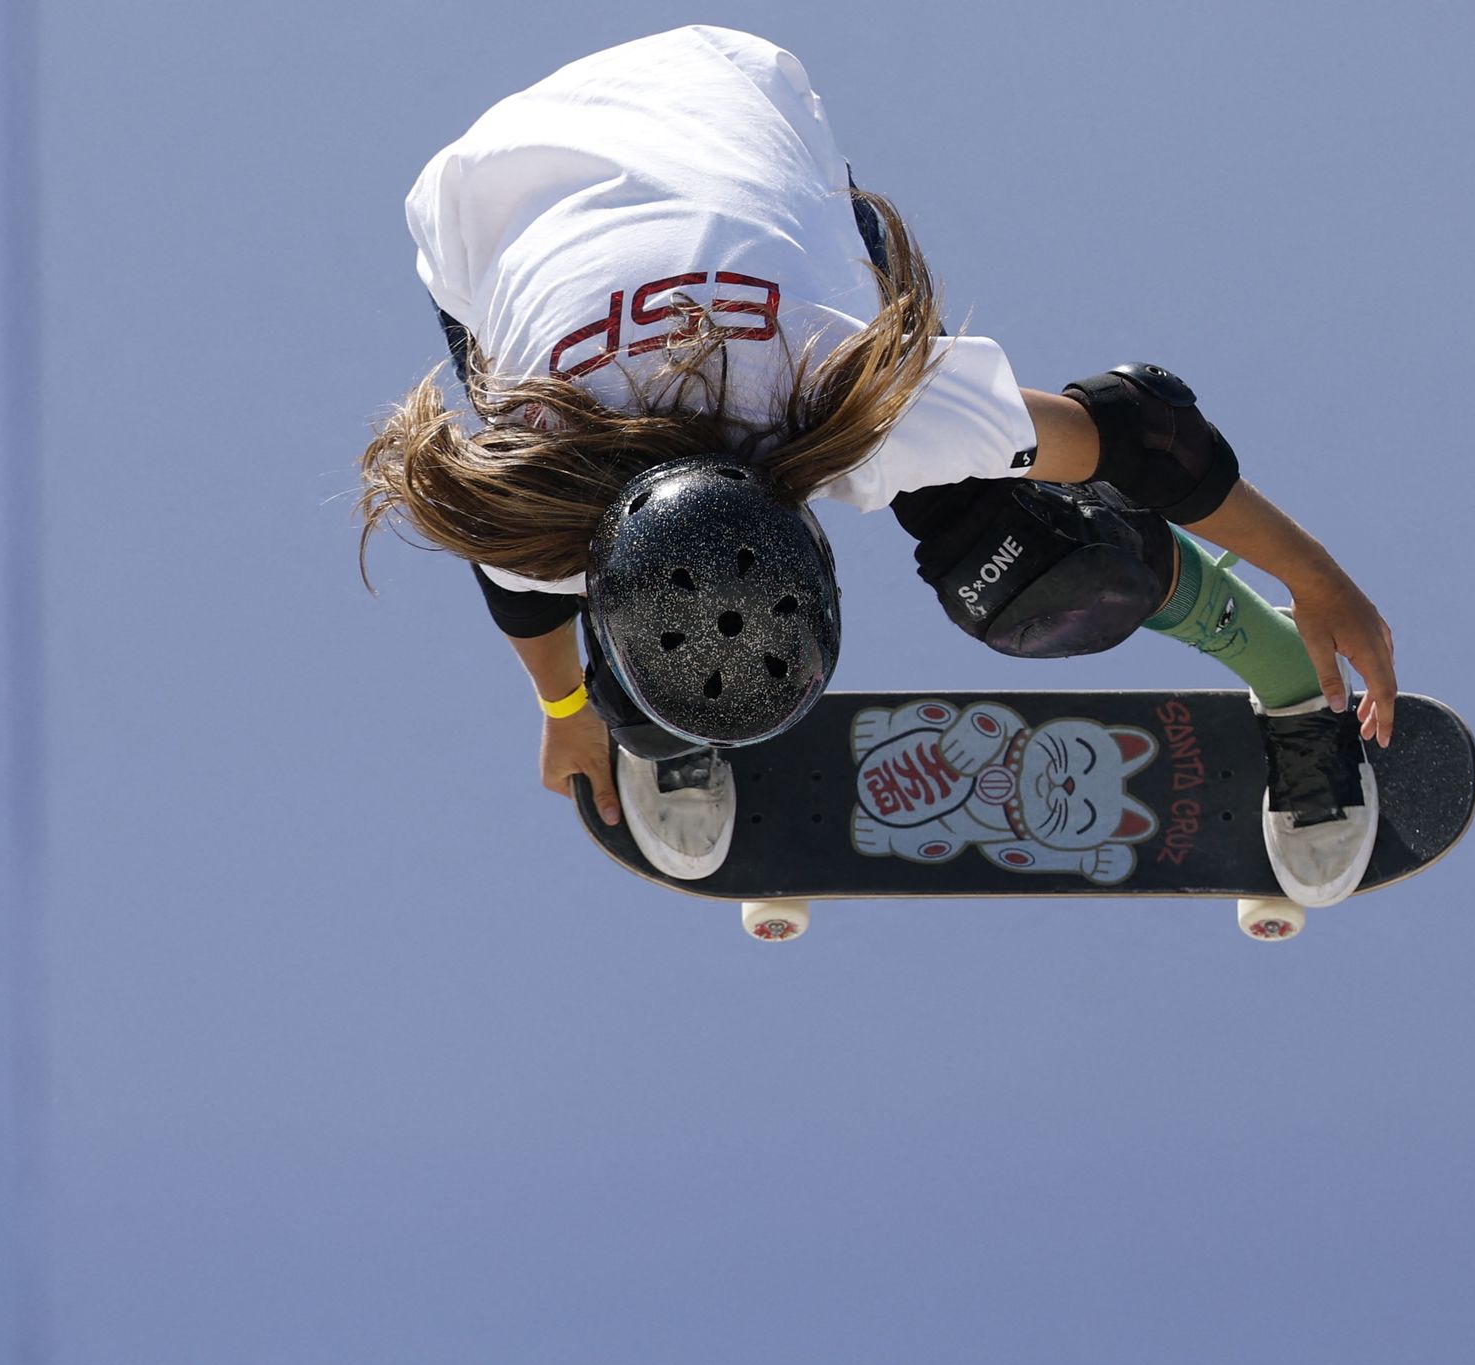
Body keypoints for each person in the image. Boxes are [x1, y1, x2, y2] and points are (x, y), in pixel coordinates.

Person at [358, 25, 1399, 905]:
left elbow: (1144, 429)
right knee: (571, 544)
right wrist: (572, 713)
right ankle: (649, 710)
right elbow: (518, 576)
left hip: (719, 104)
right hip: (495, 201)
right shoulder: (539, 474)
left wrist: (1316, 587)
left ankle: (1289, 684)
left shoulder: (861, 401)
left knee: (1033, 560)